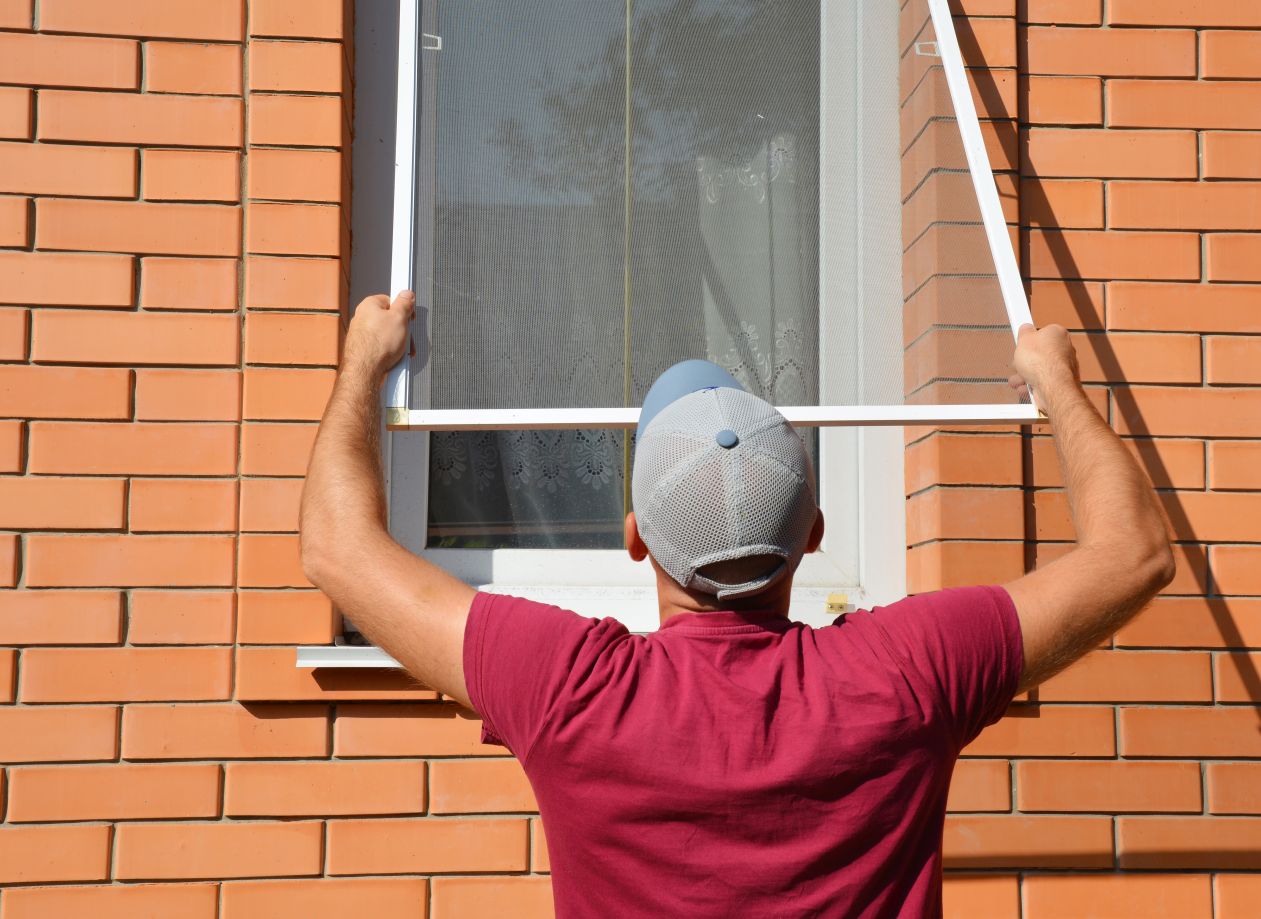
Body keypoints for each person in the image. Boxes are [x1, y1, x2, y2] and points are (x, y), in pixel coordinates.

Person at [300, 291, 1174, 919]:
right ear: (814, 532)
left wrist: (363, 367)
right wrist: (1053, 381)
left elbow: (338, 551)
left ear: (634, 537)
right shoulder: (905, 672)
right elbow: (1132, 555)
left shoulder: (569, 688)